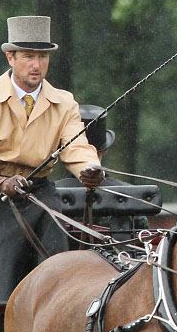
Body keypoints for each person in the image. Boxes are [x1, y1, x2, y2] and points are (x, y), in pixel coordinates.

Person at [0, 16, 104, 308]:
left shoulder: (63, 103)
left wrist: (89, 170)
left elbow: (76, 147)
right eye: (28, 56)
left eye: (42, 57)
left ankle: (59, 312)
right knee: (9, 241)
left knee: (59, 239)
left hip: (37, 192)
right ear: (11, 57)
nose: (36, 65)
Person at [56, 104, 149, 243]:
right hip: (119, 261)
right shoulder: (131, 195)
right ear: (105, 150)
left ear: (63, 151)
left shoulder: (48, 195)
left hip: (58, 263)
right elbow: (143, 240)